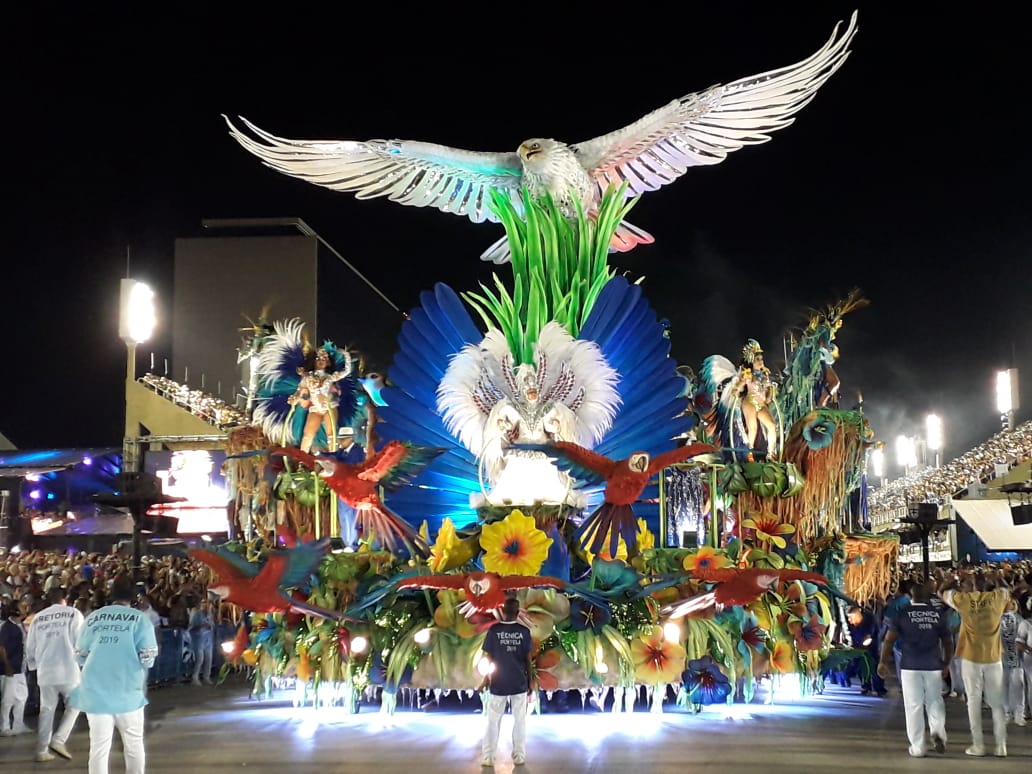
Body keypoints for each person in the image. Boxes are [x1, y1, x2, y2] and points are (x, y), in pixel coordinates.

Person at [69, 575, 158, 774]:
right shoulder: (140, 619)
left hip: (95, 692)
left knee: (99, 747)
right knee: (133, 745)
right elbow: (148, 656)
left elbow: (80, 655)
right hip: (127, 692)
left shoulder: (93, 618)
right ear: (133, 596)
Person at [878, 579, 953, 757]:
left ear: (911, 596)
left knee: (913, 705)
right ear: (927, 597)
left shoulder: (903, 614)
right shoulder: (937, 614)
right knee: (935, 701)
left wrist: (882, 661)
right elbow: (948, 641)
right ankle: (938, 733)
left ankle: (918, 747)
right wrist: (946, 662)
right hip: (933, 665)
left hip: (910, 665)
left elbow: (889, 639)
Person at [940, 569, 1010, 757]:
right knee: (997, 704)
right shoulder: (997, 598)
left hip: (971, 657)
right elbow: (1006, 590)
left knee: (973, 701)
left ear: (971, 586)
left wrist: (951, 580)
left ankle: (978, 745)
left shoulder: (964, 600)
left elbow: (942, 593)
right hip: (993, 657)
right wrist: (998, 577)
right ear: (988, 585)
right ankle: (1001, 746)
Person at [25, 587, 84, 762]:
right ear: (64, 598)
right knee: (75, 704)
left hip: (46, 670)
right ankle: (59, 739)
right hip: (68, 668)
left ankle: (42, 750)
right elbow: (80, 640)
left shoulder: (38, 618)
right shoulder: (73, 614)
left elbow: (30, 647)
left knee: (46, 710)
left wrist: (34, 667)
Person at [479, 596, 535, 768]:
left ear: (502, 611)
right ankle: (519, 757)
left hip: (498, 683)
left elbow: (489, 659)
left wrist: (485, 680)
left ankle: (488, 758)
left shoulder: (494, 631)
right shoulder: (524, 632)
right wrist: (531, 682)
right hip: (518, 682)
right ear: (518, 613)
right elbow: (528, 660)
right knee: (520, 721)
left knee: (492, 722)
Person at [289, 346, 353, 453]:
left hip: (330, 406)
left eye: (324, 359)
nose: (321, 362)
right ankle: (302, 461)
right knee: (308, 435)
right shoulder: (307, 378)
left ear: (328, 363)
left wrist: (346, 355)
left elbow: (347, 371)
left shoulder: (330, 377)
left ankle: (333, 457)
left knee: (331, 434)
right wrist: (295, 399)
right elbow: (300, 391)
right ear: (313, 361)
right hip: (315, 408)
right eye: (318, 359)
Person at [732, 339, 777, 460]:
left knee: (772, 425)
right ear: (751, 360)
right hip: (750, 401)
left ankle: (771, 453)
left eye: (761, 359)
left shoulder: (765, 375)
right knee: (753, 428)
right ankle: (749, 452)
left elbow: (768, 397)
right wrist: (736, 390)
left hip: (761, 404)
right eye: (757, 359)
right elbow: (738, 388)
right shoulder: (748, 374)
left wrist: (771, 391)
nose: (761, 361)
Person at [0, 599, 30, 736]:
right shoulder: (7, 627)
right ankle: (4, 727)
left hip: (20, 668)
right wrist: (7, 665)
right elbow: (1, 647)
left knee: (22, 697)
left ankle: (18, 724)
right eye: (22, 606)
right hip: (10, 669)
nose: (26, 608)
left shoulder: (20, 626)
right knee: (8, 699)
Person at [845, 605, 886, 696]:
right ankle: (866, 686)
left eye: (851, 617)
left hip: (871, 648)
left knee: (874, 668)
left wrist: (867, 639)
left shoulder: (869, 620)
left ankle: (879, 689)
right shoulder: (851, 625)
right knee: (861, 668)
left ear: (857, 615)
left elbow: (871, 634)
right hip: (857, 648)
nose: (849, 620)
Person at [188, 597, 215, 685]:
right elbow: (191, 627)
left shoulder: (210, 615)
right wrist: (201, 625)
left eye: (209, 605)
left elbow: (213, 626)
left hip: (208, 640)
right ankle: (195, 677)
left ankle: (206, 677)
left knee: (209, 658)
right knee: (200, 659)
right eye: (205, 604)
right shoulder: (198, 614)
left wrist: (211, 627)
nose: (207, 607)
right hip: (198, 639)